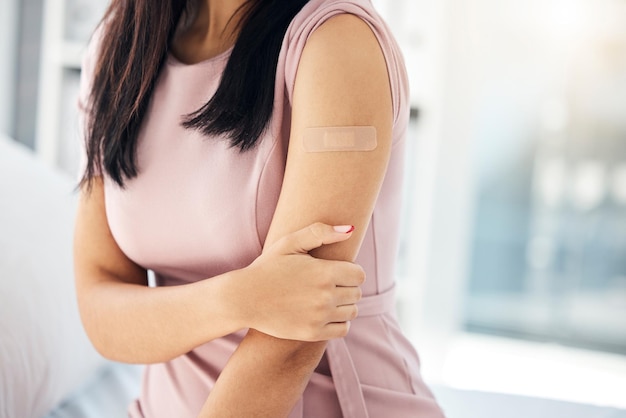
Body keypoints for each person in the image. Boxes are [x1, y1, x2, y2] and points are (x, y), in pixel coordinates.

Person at [73, 0, 445, 416]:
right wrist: (239, 298)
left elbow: (291, 342)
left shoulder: (338, 43)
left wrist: (248, 300)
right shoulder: (120, 48)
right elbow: (100, 308)